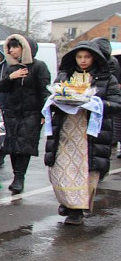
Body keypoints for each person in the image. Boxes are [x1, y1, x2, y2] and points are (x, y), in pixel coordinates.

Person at [44, 40, 121, 225]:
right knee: (61, 169)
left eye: (87, 57)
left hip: (91, 134)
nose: (83, 60)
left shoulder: (106, 78)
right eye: (79, 57)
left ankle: (77, 210)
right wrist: (56, 101)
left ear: (94, 57)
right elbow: (54, 97)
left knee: (87, 171)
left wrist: (97, 104)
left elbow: (116, 104)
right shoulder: (65, 76)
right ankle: (68, 202)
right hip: (66, 130)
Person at [0, 34, 51, 194]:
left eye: (15, 47)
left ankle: (20, 177)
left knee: (24, 145)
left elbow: (44, 90)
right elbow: (1, 88)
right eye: (10, 47)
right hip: (12, 112)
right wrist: (10, 78)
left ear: (25, 48)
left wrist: (43, 113)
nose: (12, 50)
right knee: (13, 145)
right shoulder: (10, 67)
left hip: (31, 113)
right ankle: (16, 175)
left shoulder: (39, 66)